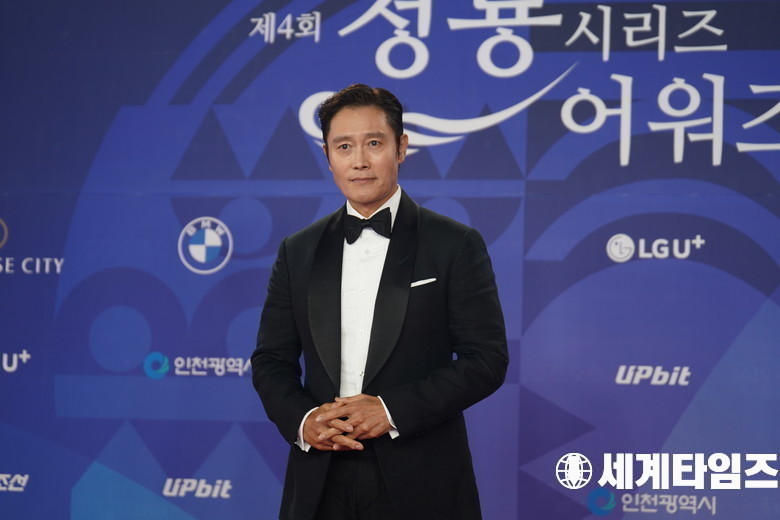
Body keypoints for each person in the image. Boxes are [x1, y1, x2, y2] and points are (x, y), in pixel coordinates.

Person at [251, 83, 508, 520]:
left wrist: (391, 411)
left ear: (401, 147)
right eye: (344, 146)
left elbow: (486, 359)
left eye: (374, 143)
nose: (360, 161)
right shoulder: (298, 250)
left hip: (422, 475)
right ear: (328, 156)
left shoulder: (454, 243)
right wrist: (304, 421)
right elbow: (271, 360)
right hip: (319, 478)